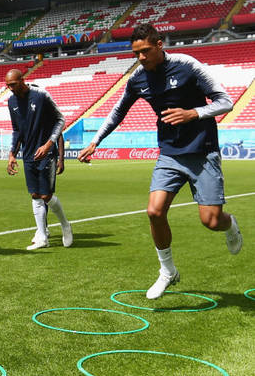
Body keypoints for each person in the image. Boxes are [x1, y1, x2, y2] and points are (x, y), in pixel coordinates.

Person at [78, 24, 243, 299]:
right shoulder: (137, 78)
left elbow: (225, 101)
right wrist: (95, 141)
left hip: (202, 152)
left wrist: (193, 113)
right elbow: (118, 112)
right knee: (154, 212)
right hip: (169, 153)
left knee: (212, 221)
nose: (141, 58)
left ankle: (231, 224)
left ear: (159, 45)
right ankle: (168, 271)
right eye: (136, 53)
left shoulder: (187, 65)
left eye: (145, 51)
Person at [4, 69, 72, 249]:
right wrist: (12, 154)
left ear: (22, 80)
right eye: (8, 86)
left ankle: (65, 225)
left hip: (46, 153)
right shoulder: (11, 101)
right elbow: (16, 130)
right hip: (28, 154)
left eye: (13, 84)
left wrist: (49, 144)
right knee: (35, 195)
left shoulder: (41, 95)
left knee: (46, 195)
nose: (11, 88)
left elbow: (60, 120)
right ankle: (42, 236)